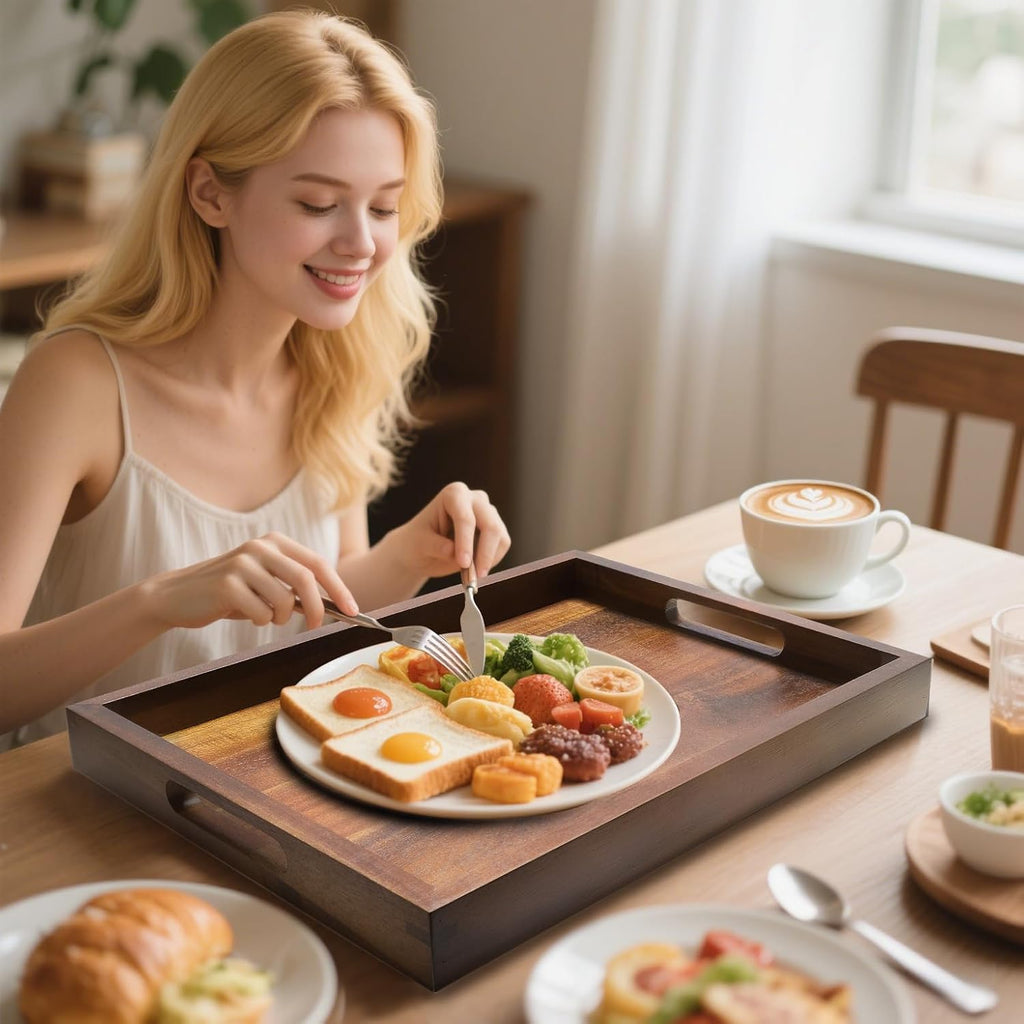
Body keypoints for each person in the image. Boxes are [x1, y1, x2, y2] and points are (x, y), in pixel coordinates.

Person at [0, 10, 510, 747]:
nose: (362, 243)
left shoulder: (338, 367)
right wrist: (161, 602)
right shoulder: (77, 384)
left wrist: (406, 557)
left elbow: (317, 616)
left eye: (383, 206)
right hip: (82, 813)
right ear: (210, 194)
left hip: (255, 789)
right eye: (317, 203)